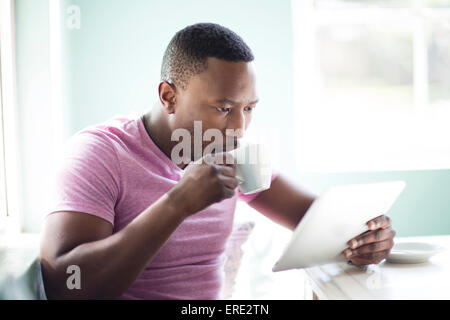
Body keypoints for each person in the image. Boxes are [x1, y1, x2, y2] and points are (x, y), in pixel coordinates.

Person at [40, 23, 395, 300]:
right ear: (168, 96)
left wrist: (365, 238)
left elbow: (321, 223)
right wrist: (177, 204)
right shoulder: (100, 155)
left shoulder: (235, 155)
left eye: (249, 109)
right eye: (223, 109)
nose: (239, 128)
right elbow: (66, 286)